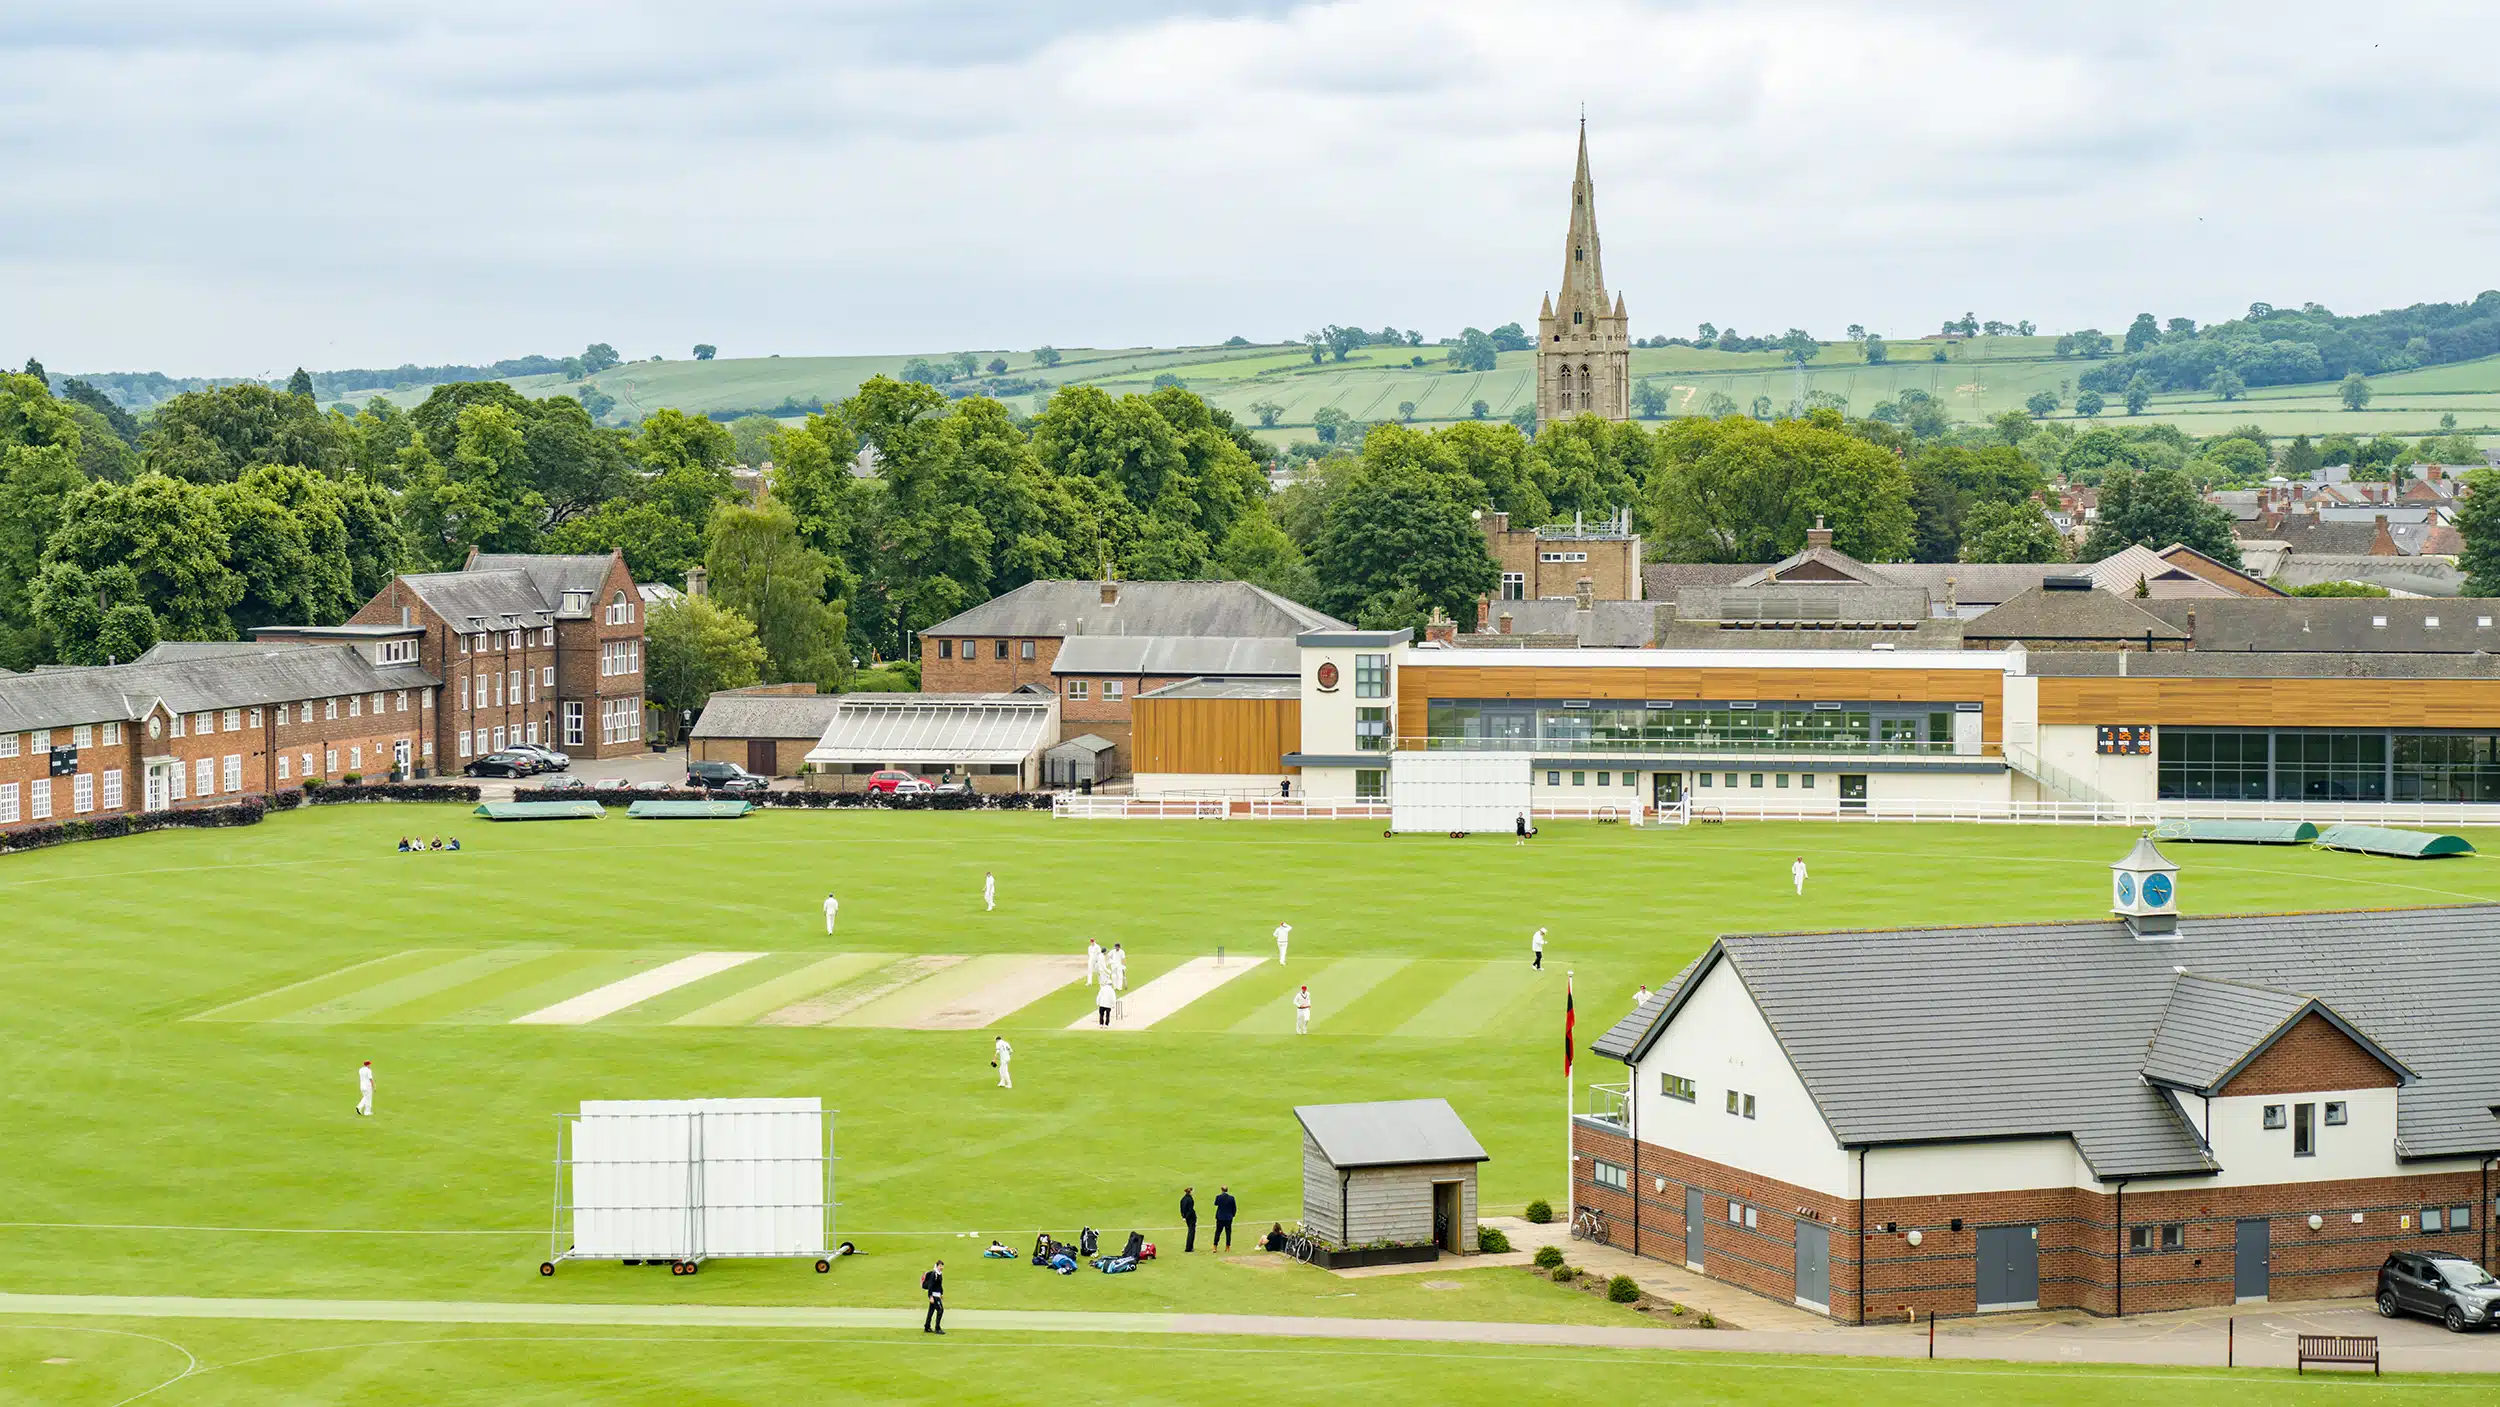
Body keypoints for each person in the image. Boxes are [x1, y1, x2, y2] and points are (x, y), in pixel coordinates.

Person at [921, 1259, 945, 1334]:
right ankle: (937, 1328)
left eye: (942, 1266)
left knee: (931, 1311)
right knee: (940, 1310)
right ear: (937, 1266)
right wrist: (930, 1296)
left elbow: (939, 1285)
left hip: (937, 1295)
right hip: (934, 1296)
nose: (941, 1267)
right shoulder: (934, 1274)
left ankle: (927, 1327)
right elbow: (930, 1286)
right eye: (940, 1266)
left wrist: (941, 1293)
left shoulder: (939, 1274)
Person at [1180, 1187, 1198, 1253]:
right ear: (1190, 1192)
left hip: (1187, 1217)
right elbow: (1190, 1210)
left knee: (1190, 1231)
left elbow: (1182, 1209)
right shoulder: (1190, 1199)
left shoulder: (1183, 1199)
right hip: (1191, 1218)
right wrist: (1186, 1217)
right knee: (1191, 1232)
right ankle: (1189, 1247)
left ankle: (1189, 1247)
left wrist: (1183, 1217)